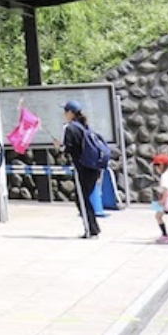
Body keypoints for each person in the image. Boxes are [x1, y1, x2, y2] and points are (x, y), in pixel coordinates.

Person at [57, 100, 103, 238]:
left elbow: (69, 149)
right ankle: (92, 228)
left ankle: (91, 229)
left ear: (71, 113)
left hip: (83, 169)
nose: (64, 114)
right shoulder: (85, 126)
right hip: (93, 167)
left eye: (66, 111)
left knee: (81, 199)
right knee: (83, 197)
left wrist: (60, 148)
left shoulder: (70, 128)